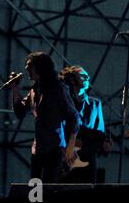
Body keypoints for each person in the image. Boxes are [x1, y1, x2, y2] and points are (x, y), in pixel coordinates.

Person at [9, 52, 80, 182]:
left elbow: (74, 116)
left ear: (41, 68)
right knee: (35, 190)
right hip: (38, 149)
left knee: (47, 189)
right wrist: (15, 88)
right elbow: (20, 112)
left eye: (30, 66)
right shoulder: (34, 90)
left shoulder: (58, 88)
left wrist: (70, 147)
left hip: (54, 148)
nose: (26, 69)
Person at [58, 65, 106, 183]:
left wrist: (79, 154)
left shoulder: (95, 103)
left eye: (88, 76)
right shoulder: (63, 102)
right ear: (72, 79)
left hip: (86, 159)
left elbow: (99, 135)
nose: (87, 78)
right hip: (64, 159)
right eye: (83, 76)